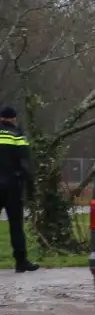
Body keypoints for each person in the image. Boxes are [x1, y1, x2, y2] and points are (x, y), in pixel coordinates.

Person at [0, 106, 39, 272]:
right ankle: (21, 261)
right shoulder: (18, 136)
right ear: (13, 119)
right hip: (12, 186)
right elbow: (26, 165)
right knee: (16, 225)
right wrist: (31, 190)